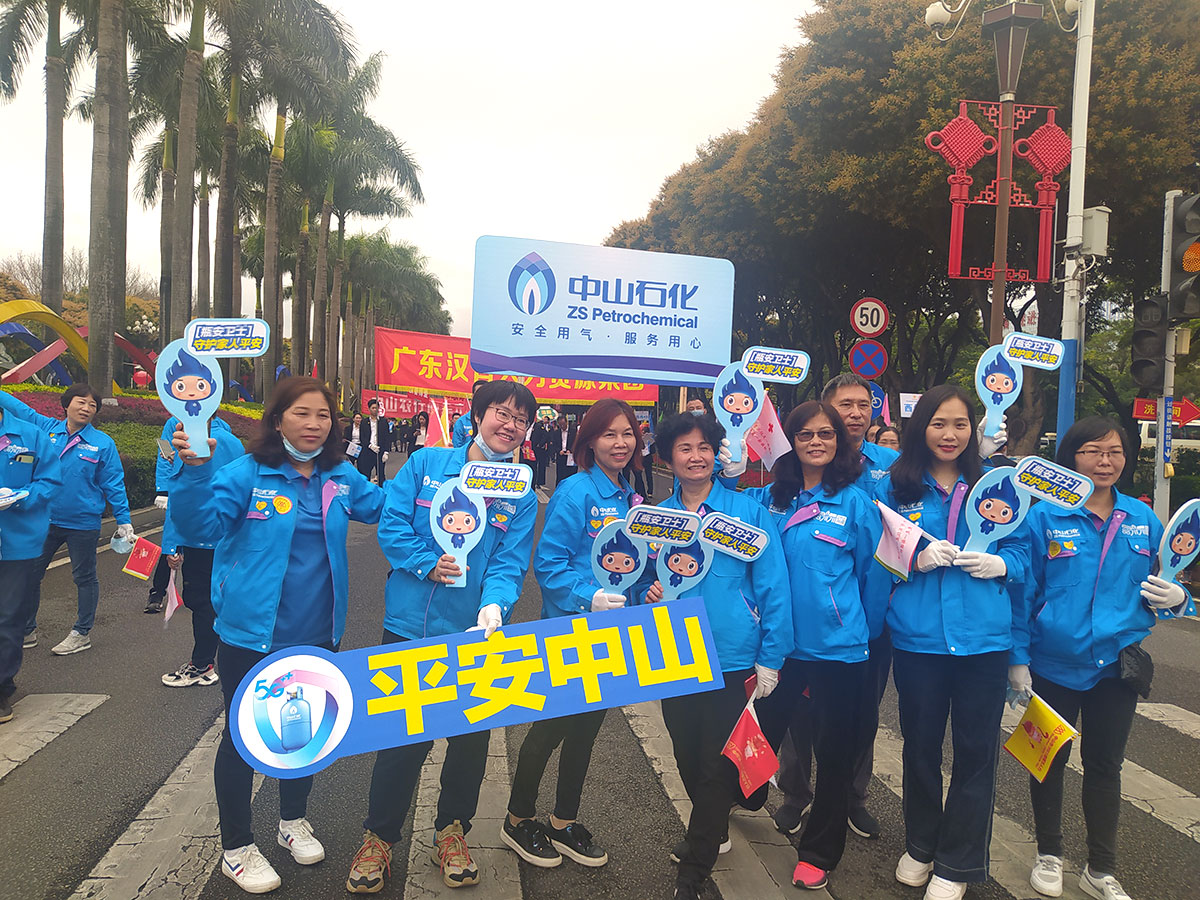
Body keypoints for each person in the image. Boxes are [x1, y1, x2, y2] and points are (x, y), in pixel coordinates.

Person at [169, 376, 385, 894]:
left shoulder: (340, 475)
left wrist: (450, 482)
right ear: (277, 419)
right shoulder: (245, 473)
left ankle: (292, 822)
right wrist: (194, 471)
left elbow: (386, 508)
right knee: (242, 738)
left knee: (303, 735)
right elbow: (200, 525)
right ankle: (237, 848)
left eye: (323, 415)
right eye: (301, 413)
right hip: (251, 636)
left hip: (318, 633)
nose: (313, 424)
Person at [347, 380, 539, 893]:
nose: (510, 425)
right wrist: (426, 562)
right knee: (402, 739)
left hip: (477, 634)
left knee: (470, 741)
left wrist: (496, 605)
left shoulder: (520, 492)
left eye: (521, 420)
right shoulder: (426, 464)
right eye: (502, 413)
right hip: (410, 626)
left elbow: (508, 562)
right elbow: (392, 525)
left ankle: (451, 832)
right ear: (478, 416)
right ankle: (379, 838)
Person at [1013, 417, 1190, 900]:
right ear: (1071, 458)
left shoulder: (1142, 518)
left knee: (1106, 766)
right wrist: (1017, 658)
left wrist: (1179, 599)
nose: (1104, 461)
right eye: (1092, 451)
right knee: (1046, 761)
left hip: (1115, 666)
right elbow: (1022, 592)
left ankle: (1100, 868)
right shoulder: (1043, 517)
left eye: (1114, 452)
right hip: (1050, 665)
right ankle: (1049, 853)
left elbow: (1168, 579)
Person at [875, 385, 1025, 900]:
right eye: (938, 423)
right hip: (919, 641)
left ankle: (957, 863)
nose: (950, 434)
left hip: (984, 642)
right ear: (920, 427)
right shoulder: (895, 487)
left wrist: (1001, 563)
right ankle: (921, 844)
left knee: (976, 753)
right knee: (919, 748)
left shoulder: (996, 485)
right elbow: (877, 554)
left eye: (960, 424)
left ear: (973, 429)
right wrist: (913, 561)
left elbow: (1024, 553)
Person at [647, 412, 791, 900]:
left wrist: (772, 655)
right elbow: (636, 578)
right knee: (686, 753)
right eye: (684, 448)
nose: (696, 457)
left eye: (704, 447)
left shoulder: (747, 513)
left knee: (714, 763)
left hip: (732, 656)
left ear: (717, 453)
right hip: (674, 655)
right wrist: (647, 593)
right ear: (668, 458)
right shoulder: (656, 518)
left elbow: (773, 586)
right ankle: (732, 804)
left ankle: (694, 871)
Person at [501, 398, 645, 870]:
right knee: (552, 727)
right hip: (570, 630)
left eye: (627, 433)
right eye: (609, 434)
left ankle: (563, 821)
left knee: (586, 731)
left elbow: (634, 566)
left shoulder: (630, 495)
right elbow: (548, 564)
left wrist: (650, 588)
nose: (620, 443)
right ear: (590, 441)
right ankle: (517, 818)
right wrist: (589, 597)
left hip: (614, 635)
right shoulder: (577, 491)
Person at [748, 401, 886, 891]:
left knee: (834, 753)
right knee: (754, 735)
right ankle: (740, 799)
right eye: (804, 434)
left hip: (837, 649)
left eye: (825, 434)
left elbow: (874, 576)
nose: (815, 442)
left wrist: (858, 630)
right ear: (789, 442)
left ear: (839, 442)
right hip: (776, 646)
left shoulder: (856, 503)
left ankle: (819, 851)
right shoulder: (767, 499)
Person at [0, 384, 135, 656]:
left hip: (82, 523)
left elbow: (113, 482)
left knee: (84, 577)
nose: (86, 408)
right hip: (45, 520)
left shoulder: (102, 443)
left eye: (92, 405)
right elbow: (20, 409)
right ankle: (27, 629)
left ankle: (81, 632)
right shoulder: (46, 429)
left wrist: (124, 520)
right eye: (80, 402)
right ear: (66, 404)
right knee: (30, 575)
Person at [160, 416, 244, 688]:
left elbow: (178, 500)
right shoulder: (234, 443)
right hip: (228, 536)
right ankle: (231, 663)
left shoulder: (184, 442)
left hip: (198, 538)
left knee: (202, 602)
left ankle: (202, 664)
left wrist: (171, 544)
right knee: (224, 600)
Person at [0, 404, 62, 723]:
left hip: (16, 543)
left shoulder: (29, 435)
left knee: (8, 617)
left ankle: (2, 686)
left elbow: (49, 481)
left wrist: (21, 496)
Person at [452, 380, 488, 448]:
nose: (482, 396)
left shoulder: (495, 421)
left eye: (485, 393)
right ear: (473, 396)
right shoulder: (461, 422)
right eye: (479, 393)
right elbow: (457, 448)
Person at [552, 414, 578, 487]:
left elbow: (576, 442)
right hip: (561, 455)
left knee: (570, 474)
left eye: (563, 424)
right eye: (560, 425)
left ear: (566, 422)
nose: (562, 426)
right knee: (560, 475)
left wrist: (571, 450)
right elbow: (554, 444)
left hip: (570, 456)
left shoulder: (573, 431)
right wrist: (558, 451)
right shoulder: (556, 432)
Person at [633, 421, 655, 499]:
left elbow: (653, 451)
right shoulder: (638, 439)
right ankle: (640, 491)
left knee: (647, 475)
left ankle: (649, 491)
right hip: (641, 458)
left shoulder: (650, 440)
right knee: (639, 476)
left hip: (646, 458)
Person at [532, 417, 555, 488]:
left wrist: (549, 442)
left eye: (546, 419)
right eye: (544, 419)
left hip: (545, 448)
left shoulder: (550, 427)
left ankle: (540, 482)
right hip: (536, 447)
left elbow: (550, 436)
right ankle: (534, 481)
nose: (544, 420)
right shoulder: (538, 425)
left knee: (542, 465)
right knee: (535, 465)